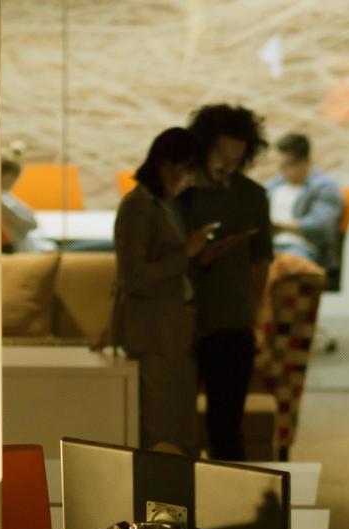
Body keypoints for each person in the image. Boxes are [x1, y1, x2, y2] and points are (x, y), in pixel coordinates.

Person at [110, 128, 219, 455]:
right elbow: (135, 277)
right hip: (152, 333)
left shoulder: (165, 204)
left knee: (182, 424)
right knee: (158, 428)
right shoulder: (138, 207)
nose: (188, 178)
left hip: (174, 329)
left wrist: (197, 254)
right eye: (185, 169)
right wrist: (186, 251)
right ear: (165, 164)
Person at [178, 104, 273, 461]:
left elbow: (261, 262)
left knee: (227, 431)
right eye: (221, 155)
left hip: (233, 326)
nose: (227, 165)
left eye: (236, 158)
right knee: (176, 429)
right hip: (182, 323)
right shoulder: (180, 193)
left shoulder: (251, 195)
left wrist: (253, 315)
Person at [264, 133, 344, 269]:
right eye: (280, 165)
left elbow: (321, 226)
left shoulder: (323, 186)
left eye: (286, 165)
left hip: (302, 248)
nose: (282, 170)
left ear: (303, 162)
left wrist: (279, 226)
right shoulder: (273, 186)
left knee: (281, 269)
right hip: (268, 246)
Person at [0, 157, 42, 253]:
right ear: (5, 176)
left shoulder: (7, 196)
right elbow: (32, 224)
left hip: (32, 245)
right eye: (14, 178)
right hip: (24, 249)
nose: (16, 182)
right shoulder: (1, 200)